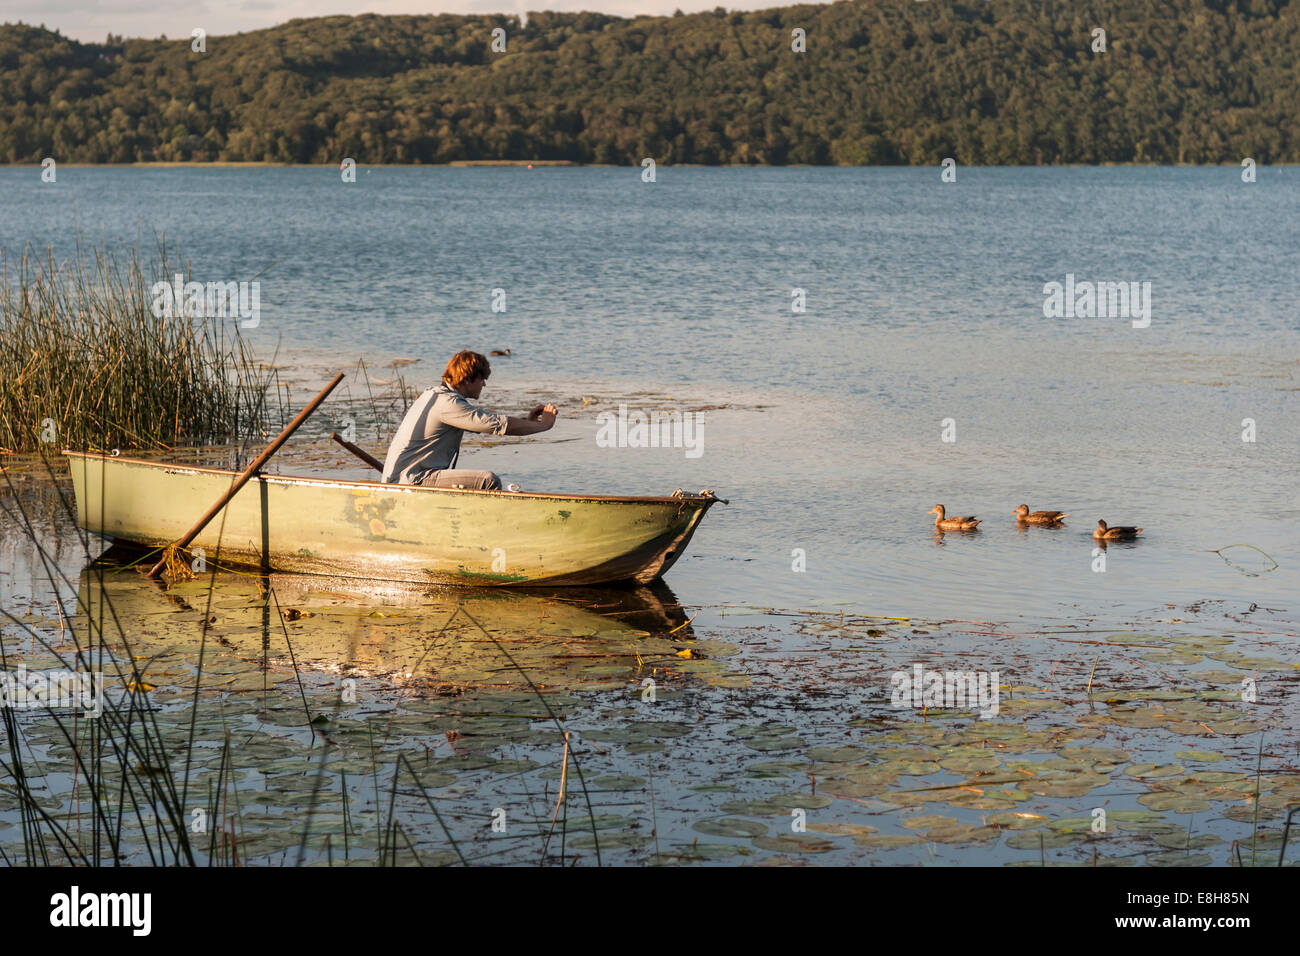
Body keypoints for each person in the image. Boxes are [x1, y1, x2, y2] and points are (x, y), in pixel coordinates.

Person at [381, 350, 557, 490]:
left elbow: (486, 422)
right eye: (482, 379)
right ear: (467, 379)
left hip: (408, 476)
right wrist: (544, 425)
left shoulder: (433, 394)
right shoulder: (448, 404)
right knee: (487, 481)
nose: (484, 385)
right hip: (412, 480)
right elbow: (497, 425)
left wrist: (528, 422)